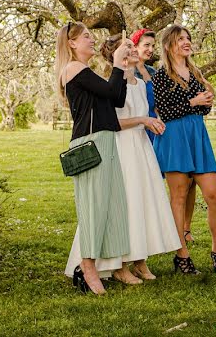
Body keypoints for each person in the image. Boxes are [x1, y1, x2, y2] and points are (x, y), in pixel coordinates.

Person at [64, 35, 181, 283]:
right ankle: (119, 263)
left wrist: (149, 121)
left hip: (141, 147)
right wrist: (142, 120)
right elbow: (112, 120)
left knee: (143, 201)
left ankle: (140, 259)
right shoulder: (110, 82)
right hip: (122, 147)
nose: (134, 49)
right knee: (125, 203)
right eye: (128, 46)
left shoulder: (137, 81)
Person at [54, 22, 132, 295]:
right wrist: (118, 62)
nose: (91, 39)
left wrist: (124, 66)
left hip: (106, 139)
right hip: (90, 143)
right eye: (85, 36)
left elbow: (118, 100)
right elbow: (112, 92)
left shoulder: (87, 71)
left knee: (111, 203)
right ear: (71, 43)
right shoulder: (73, 69)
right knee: (94, 206)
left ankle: (104, 264)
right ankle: (87, 267)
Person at [153, 24, 216, 274]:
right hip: (174, 138)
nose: (186, 42)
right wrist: (192, 101)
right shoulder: (161, 75)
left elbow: (202, 109)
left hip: (197, 136)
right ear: (168, 45)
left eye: (187, 38)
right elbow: (165, 111)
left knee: (214, 195)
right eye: (180, 39)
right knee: (179, 196)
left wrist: (206, 101)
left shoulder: (195, 72)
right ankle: (181, 254)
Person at [132, 27, 199, 243]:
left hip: (164, 125)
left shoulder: (154, 73)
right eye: (146, 45)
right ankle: (151, 229)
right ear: (134, 47)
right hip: (142, 127)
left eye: (153, 45)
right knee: (151, 183)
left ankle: (185, 228)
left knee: (189, 180)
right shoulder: (128, 73)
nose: (150, 49)